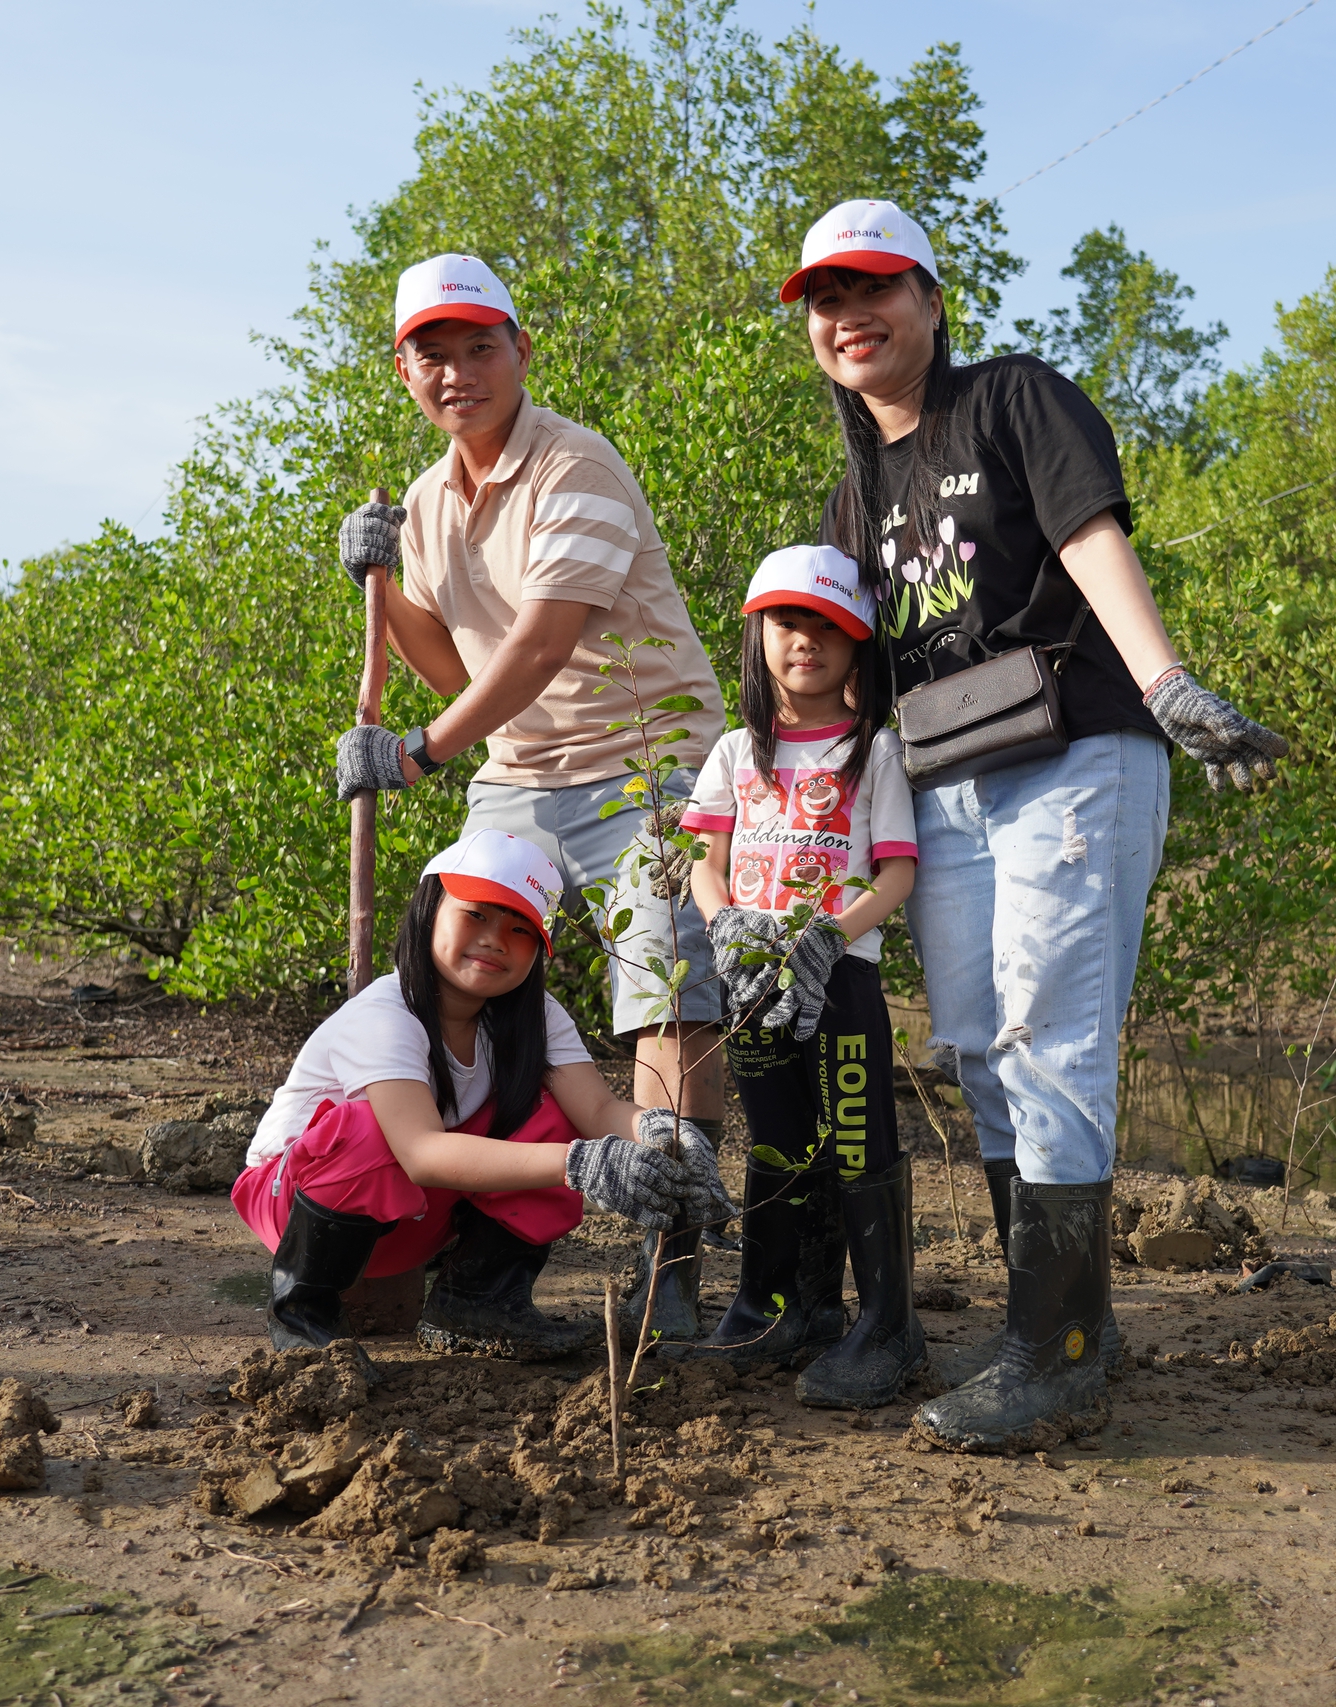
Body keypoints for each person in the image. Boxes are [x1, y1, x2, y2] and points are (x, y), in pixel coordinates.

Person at [787, 199, 1291, 1452]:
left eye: (873, 290)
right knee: (974, 1043)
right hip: (948, 776)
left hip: (1072, 751)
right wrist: (771, 814)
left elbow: (1088, 535)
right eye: (825, 301)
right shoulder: (856, 490)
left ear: (930, 299)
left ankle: (1051, 1350)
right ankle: (1067, 1321)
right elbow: (835, 668)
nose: (850, 317)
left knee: (1048, 1029)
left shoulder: (1011, 400)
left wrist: (1168, 685)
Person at [333, 253, 732, 1341]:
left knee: (665, 993)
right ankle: (476, 1278)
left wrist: (415, 756)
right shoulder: (421, 501)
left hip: (648, 763)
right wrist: (374, 579)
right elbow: (453, 667)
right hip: (520, 774)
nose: (457, 371)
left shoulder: (573, 466)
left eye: (479, 347)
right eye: (433, 353)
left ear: (519, 350)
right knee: (451, 986)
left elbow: (542, 642)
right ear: (404, 369)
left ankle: (675, 1262)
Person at [233, 831, 737, 1355]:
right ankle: (303, 1323)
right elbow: (421, 1153)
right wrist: (583, 1164)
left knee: (554, 1115)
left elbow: (598, 1109)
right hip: (296, 1202)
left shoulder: (535, 1015)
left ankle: (477, 1303)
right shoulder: (385, 1012)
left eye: (521, 929)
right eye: (476, 914)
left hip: (415, 1214)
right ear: (430, 908)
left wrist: (663, 1133)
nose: (496, 939)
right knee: (369, 1130)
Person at [666, 545, 923, 1407]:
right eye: (786, 621)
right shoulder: (737, 750)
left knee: (858, 1139)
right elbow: (707, 860)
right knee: (776, 1141)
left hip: (840, 980)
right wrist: (725, 925)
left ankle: (884, 1319)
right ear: (756, 634)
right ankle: (776, 1306)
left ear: (859, 647)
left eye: (828, 625)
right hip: (753, 985)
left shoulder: (873, 749)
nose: (805, 639)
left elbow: (896, 875)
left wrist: (829, 936)